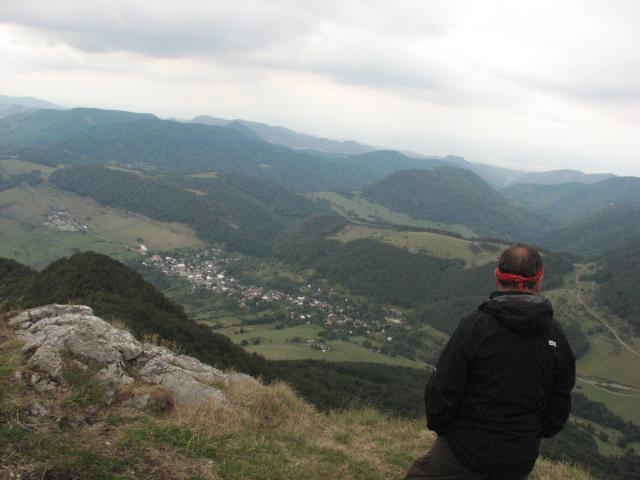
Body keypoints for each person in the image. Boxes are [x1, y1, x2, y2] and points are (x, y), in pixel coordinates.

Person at [404, 243, 576, 480]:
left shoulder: (475, 327)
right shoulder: (555, 336)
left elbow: (442, 390)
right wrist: (528, 436)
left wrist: (446, 431)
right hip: (519, 457)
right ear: (539, 279)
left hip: (464, 449)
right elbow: (558, 405)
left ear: (497, 277)